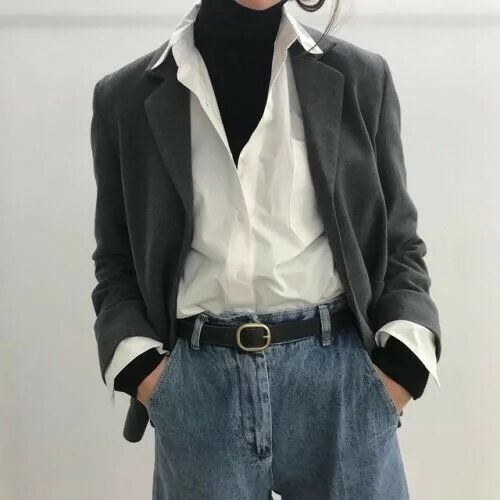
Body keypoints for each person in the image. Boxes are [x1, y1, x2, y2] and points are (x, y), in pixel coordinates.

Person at [89, 0, 442, 498]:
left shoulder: (360, 77)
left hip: (342, 386)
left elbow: (398, 239)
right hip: (199, 390)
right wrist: (143, 373)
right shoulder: (125, 97)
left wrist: (404, 365)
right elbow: (117, 261)